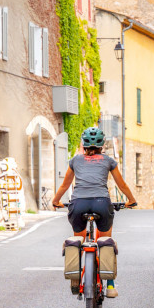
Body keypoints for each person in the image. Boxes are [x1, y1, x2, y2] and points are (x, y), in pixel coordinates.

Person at [52, 126, 136, 298]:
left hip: (78, 204)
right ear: (101, 145)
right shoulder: (108, 161)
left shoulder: (75, 160)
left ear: (83, 144)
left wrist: (55, 201)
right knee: (106, 240)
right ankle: (111, 285)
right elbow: (122, 185)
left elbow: (65, 185)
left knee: (78, 238)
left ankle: (75, 279)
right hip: (101, 204)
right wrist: (131, 200)